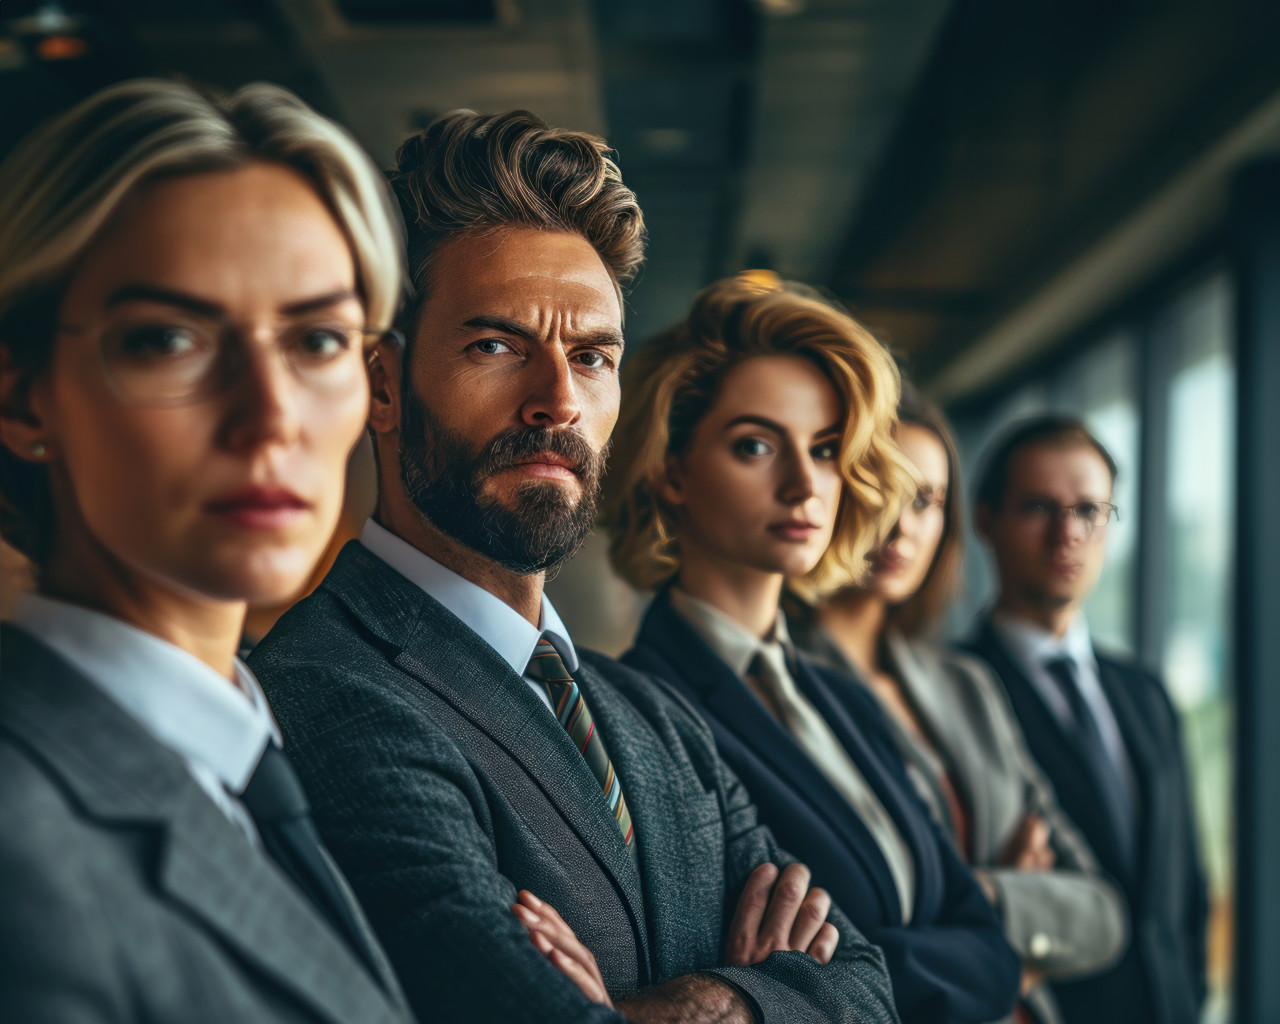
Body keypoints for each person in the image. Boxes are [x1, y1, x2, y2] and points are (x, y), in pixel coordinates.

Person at [248, 111, 899, 1024]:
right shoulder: (321, 691)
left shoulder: (655, 716)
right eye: (497, 346)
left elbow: (868, 988)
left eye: (591, 356)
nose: (557, 397)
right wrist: (776, 994)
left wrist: (708, 1006)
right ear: (383, 384)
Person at [0, 79, 413, 1022]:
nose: (270, 417)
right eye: (170, 339)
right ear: (25, 399)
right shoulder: (20, 847)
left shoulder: (246, 755)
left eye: (316, 339)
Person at [604, 274, 1022, 1024]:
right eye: (756, 445)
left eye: (826, 449)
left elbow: (993, 947)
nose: (804, 485)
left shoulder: (845, 696)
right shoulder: (640, 715)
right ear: (672, 471)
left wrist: (840, 977)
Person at [785, 386, 1128, 1024]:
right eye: (878, 485)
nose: (902, 523)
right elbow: (845, 940)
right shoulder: (780, 681)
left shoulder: (966, 683)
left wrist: (981, 895)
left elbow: (1103, 912)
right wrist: (1015, 909)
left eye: (927, 500)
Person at [962, 416, 1208, 1024]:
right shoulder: (954, 693)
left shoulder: (1145, 693)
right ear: (984, 520)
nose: (1067, 533)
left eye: (1090, 510)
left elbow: (1186, 886)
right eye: (1038, 507)